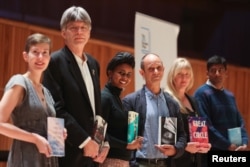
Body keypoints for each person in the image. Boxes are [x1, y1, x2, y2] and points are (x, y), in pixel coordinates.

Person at [43, 6, 108, 167]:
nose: (79, 32)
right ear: (64, 33)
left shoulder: (94, 64)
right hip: (68, 151)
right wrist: (85, 141)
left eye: (83, 28)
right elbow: (56, 109)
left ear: (89, 32)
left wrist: (103, 141)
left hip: (93, 152)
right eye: (73, 28)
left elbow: (97, 108)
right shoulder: (54, 62)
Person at [0, 33, 66, 167]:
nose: (40, 57)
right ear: (26, 56)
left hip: (48, 160)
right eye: (35, 52)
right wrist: (34, 138)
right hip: (25, 159)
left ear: (49, 57)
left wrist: (58, 134)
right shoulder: (19, 82)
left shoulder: (46, 91)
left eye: (45, 53)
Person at [122, 53, 186, 167]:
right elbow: (122, 136)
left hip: (165, 164)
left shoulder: (172, 104)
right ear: (142, 73)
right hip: (139, 163)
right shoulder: (130, 101)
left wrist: (175, 150)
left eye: (159, 68)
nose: (156, 72)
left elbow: (182, 136)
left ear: (163, 70)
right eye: (151, 69)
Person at [194, 55, 248, 151]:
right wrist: (227, 145)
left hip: (235, 148)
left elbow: (240, 121)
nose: (217, 74)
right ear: (207, 73)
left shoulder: (230, 95)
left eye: (220, 70)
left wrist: (244, 142)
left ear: (226, 73)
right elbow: (205, 125)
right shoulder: (201, 94)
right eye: (213, 70)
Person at [165, 57, 211, 167]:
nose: (184, 78)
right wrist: (185, 147)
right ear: (172, 76)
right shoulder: (166, 100)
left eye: (187, 74)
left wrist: (203, 145)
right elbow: (166, 138)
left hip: (194, 161)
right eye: (180, 74)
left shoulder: (193, 101)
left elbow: (197, 129)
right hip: (175, 162)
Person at [100, 52, 143, 167]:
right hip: (108, 160)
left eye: (129, 74)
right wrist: (126, 145)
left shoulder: (118, 99)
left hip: (122, 161)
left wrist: (133, 140)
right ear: (110, 73)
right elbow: (100, 133)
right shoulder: (105, 97)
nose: (125, 78)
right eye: (121, 73)